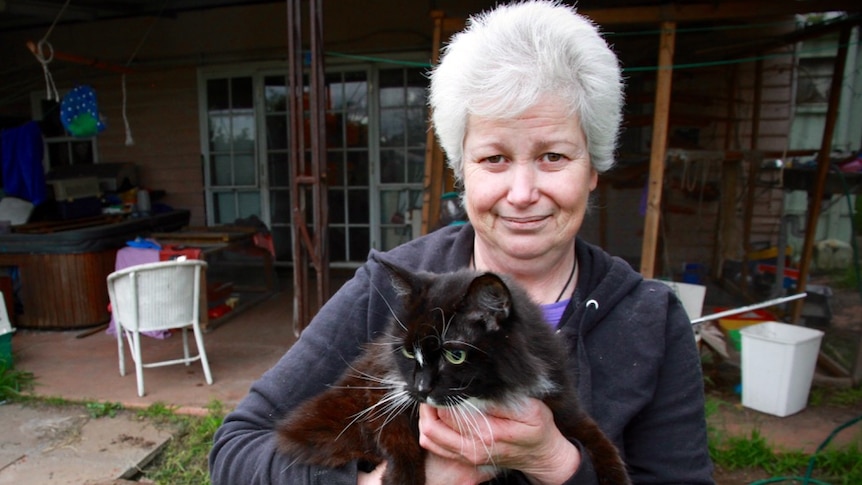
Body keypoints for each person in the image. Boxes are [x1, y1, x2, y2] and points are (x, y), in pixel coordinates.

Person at [209, 1, 714, 484]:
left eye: (554, 156)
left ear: (593, 168)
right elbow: (234, 451)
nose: (522, 194)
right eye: (494, 158)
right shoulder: (391, 287)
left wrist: (557, 462)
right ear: (462, 172)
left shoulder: (650, 318)